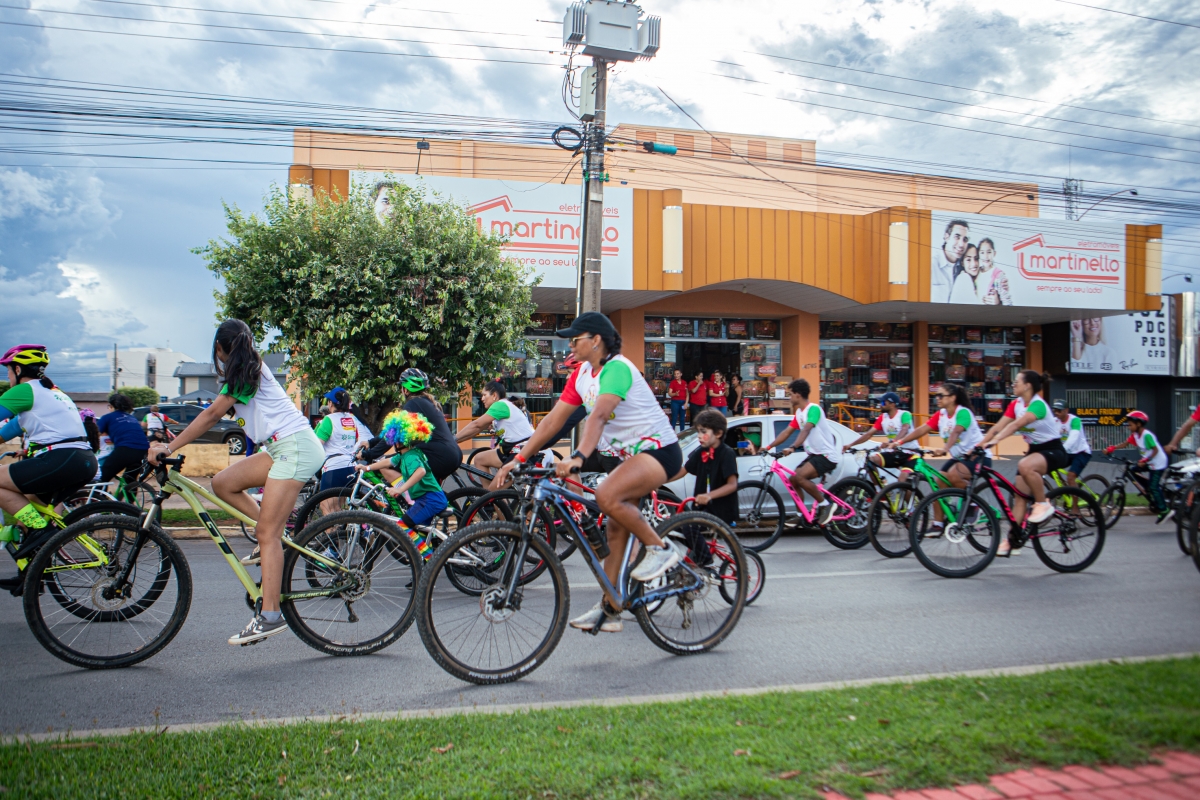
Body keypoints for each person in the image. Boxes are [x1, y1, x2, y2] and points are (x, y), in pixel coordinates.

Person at [494, 312, 683, 634]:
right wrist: (519, 458)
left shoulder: (617, 369)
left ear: (596, 340)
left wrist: (579, 456)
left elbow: (599, 416)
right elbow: (553, 421)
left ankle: (661, 549)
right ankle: (611, 608)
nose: (570, 345)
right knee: (614, 529)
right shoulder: (582, 373)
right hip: (626, 458)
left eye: (575, 339)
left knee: (606, 495)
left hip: (657, 452)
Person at [149, 320, 325, 646]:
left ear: (220, 348)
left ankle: (270, 615)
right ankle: (275, 539)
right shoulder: (246, 368)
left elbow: (211, 415)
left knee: (267, 534)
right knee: (223, 483)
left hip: (295, 448)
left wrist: (169, 448)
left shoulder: (246, 369)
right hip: (283, 447)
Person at [0, 345, 98, 588]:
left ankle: (42, 531)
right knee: (28, 507)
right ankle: (30, 576)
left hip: (61, 459)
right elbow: (8, 431)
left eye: (8, 371)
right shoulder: (52, 393)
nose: (8, 377)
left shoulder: (25, 390)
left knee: (34, 521)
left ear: (18, 370)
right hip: (81, 460)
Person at [976, 371, 1064, 555]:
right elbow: (998, 426)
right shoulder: (1016, 404)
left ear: (1027, 386)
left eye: (1016, 382)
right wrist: (979, 445)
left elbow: (1016, 425)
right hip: (1034, 450)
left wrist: (996, 441)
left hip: (1053, 450)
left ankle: (1043, 503)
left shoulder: (1038, 405)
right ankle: (1013, 541)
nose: (1013, 385)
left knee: (1025, 465)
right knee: (1019, 497)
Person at [887, 383, 987, 535]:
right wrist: (900, 442)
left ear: (952, 398)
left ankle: (974, 505)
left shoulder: (963, 412)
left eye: (941, 395)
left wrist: (945, 449)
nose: (937, 398)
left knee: (953, 474)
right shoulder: (941, 415)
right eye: (936, 395)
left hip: (977, 456)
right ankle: (938, 524)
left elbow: (956, 432)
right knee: (938, 481)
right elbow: (922, 429)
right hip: (960, 458)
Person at [357, 410, 447, 560]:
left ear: (400, 440)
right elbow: (386, 462)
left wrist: (400, 489)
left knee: (403, 525)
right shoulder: (405, 455)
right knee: (421, 534)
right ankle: (426, 563)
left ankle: (430, 559)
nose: (393, 443)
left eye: (394, 440)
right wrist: (366, 468)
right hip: (426, 499)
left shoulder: (411, 456)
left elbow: (420, 471)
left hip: (430, 500)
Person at [762, 378, 842, 526]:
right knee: (793, 480)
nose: (789, 398)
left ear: (798, 394)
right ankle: (801, 515)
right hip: (815, 455)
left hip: (826, 455)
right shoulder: (799, 413)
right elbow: (786, 432)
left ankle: (825, 505)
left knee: (800, 477)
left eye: (790, 394)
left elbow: (806, 429)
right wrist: (768, 447)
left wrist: (793, 447)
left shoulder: (814, 409)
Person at [453, 380, 534, 482]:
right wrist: (456, 441)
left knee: (494, 489)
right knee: (479, 459)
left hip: (523, 451)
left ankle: (493, 492)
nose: (482, 398)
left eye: (484, 395)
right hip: (514, 449)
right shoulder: (503, 406)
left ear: (494, 395)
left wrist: (453, 438)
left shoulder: (500, 405)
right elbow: (479, 429)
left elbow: (476, 425)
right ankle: (491, 492)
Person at [670, 408, 738, 528]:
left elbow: (732, 485)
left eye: (703, 432)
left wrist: (709, 495)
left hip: (720, 509)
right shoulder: (701, 451)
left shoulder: (727, 453)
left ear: (718, 433)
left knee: (688, 528)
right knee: (680, 526)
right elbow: (684, 470)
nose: (699, 436)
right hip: (702, 507)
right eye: (698, 432)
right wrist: (660, 481)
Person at [312, 387, 372, 514]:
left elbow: (316, 445)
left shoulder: (329, 420)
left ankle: (332, 529)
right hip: (350, 467)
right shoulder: (352, 418)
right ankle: (342, 528)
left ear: (330, 403)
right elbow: (356, 439)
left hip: (333, 469)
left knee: (327, 509)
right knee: (339, 511)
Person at [1105, 410, 1171, 523]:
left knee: (1154, 487)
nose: (1128, 427)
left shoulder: (1147, 435)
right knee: (1133, 470)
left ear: (1139, 424)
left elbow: (1155, 450)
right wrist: (1112, 448)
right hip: (1148, 462)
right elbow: (1125, 444)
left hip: (1158, 463)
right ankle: (1148, 488)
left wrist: (1146, 460)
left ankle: (1164, 510)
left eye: (1130, 425)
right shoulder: (1135, 435)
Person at [842, 392, 917, 469]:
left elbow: (904, 429)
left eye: (883, 402)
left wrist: (893, 442)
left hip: (910, 452)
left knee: (903, 475)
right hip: (894, 452)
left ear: (892, 405)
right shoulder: (883, 417)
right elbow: (868, 434)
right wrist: (850, 445)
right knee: (871, 461)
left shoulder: (904, 414)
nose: (880, 405)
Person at [96, 392, 150, 483]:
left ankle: (99, 492)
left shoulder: (107, 417)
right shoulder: (132, 418)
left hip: (125, 449)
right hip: (144, 451)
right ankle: (131, 492)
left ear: (111, 405)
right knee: (130, 480)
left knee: (103, 477)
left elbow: (95, 434)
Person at [1052, 400, 1091, 488]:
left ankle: (1075, 497)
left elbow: (1073, 437)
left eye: (1059, 410)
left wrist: (1060, 450)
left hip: (1081, 452)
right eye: (1055, 410)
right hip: (1067, 453)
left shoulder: (1075, 420)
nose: (1056, 413)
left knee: (1070, 477)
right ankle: (1064, 486)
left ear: (1066, 410)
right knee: (1048, 466)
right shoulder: (1054, 421)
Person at [932, 219, 970, 303]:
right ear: (947, 237)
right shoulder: (931, 264)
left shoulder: (966, 268)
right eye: (957, 237)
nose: (961, 244)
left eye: (965, 239)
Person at [978, 238, 1012, 306]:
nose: (986, 256)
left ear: (994, 253)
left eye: (989, 252)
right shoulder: (976, 272)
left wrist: (998, 303)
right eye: (982, 252)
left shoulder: (999, 275)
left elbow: (1007, 302)